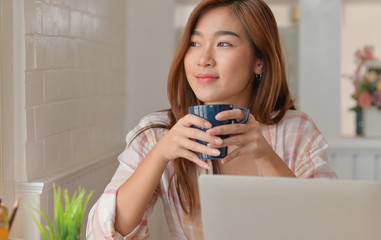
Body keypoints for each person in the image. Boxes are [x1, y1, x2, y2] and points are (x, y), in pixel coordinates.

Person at [86, 0, 337, 239]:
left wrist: (265, 155)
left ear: (259, 61)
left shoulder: (296, 131)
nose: (203, 59)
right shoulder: (158, 133)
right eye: (194, 43)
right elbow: (103, 231)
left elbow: (328, 226)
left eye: (223, 44)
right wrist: (160, 154)